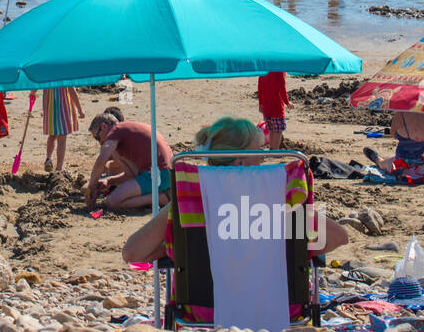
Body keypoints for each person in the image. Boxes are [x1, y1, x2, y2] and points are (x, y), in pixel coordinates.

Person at [123, 118, 349, 281]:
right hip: (278, 306)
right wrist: (290, 254)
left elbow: (132, 253)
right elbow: (339, 236)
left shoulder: (190, 199)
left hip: (204, 310)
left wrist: (177, 252)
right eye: (260, 152)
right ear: (240, 161)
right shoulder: (280, 197)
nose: (264, 159)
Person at [84, 111, 173, 211]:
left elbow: (101, 161)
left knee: (112, 202)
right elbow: (131, 175)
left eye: (97, 137)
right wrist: (109, 181)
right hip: (167, 174)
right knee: (116, 198)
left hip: (157, 174)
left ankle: (160, 198)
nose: (100, 143)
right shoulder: (127, 131)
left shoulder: (116, 131)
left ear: (104, 126)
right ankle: (157, 196)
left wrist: (91, 187)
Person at [363, 109, 424, 180]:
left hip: (405, 167)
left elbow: (393, 134)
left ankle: (378, 159)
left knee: (386, 162)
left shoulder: (402, 112)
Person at [42, 86, 84, 173]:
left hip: (50, 108)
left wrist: (33, 93)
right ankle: (59, 167)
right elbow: (71, 90)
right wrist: (80, 109)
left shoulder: (46, 73)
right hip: (63, 108)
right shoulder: (64, 73)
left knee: (52, 134)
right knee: (62, 138)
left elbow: (37, 82)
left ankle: (48, 158)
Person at [257, 71, 289, 149]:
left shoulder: (265, 69)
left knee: (271, 129)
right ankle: (275, 150)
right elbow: (282, 87)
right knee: (278, 130)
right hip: (277, 106)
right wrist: (287, 102)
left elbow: (260, 87)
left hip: (267, 106)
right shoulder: (280, 70)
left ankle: (272, 149)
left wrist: (261, 103)